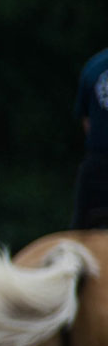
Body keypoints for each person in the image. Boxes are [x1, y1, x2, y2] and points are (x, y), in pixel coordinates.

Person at [72, 45, 108, 230]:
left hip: (97, 164)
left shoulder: (93, 67)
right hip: (98, 165)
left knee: (79, 235)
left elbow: (87, 121)